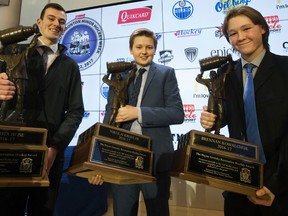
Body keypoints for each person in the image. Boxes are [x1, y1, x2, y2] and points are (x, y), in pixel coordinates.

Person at [200, 6, 288, 216]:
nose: (240, 37)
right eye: (233, 33)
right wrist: (214, 120)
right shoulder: (224, 74)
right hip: (238, 183)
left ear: (262, 28)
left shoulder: (285, 68)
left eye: (246, 28)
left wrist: (275, 184)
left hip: (281, 183)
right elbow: (232, 117)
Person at [0, 3, 84, 216]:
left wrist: (54, 148)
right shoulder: (13, 52)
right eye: (51, 18)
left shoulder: (70, 67)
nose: (56, 24)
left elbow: (75, 111)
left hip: (50, 154)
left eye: (61, 21)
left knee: (43, 212)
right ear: (39, 22)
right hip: (13, 147)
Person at [90, 28, 184, 216]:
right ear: (131, 49)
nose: (144, 51)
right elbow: (109, 116)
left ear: (155, 50)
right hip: (122, 157)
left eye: (149, 47)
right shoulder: (119, 76)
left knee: (158, 211)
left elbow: (177, 114)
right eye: (139, 47)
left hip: (156, 157)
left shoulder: (166, 73)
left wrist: (138, 113)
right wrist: (98, 159)